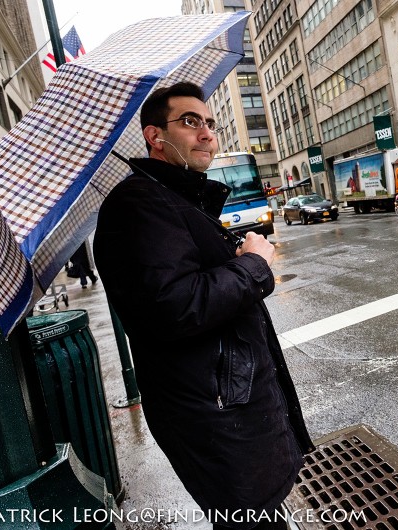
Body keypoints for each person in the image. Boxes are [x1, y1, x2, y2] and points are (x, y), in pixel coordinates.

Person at [93, 82, 314, 530]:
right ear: (155, 135)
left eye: (209, 122)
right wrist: (253, 264)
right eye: (190, 121)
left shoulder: (171, 198)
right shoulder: (138, 204)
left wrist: (231, 262)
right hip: (214, 414)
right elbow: (174, 306)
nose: (207, 133)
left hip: (226, 403)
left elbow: (185, 284)